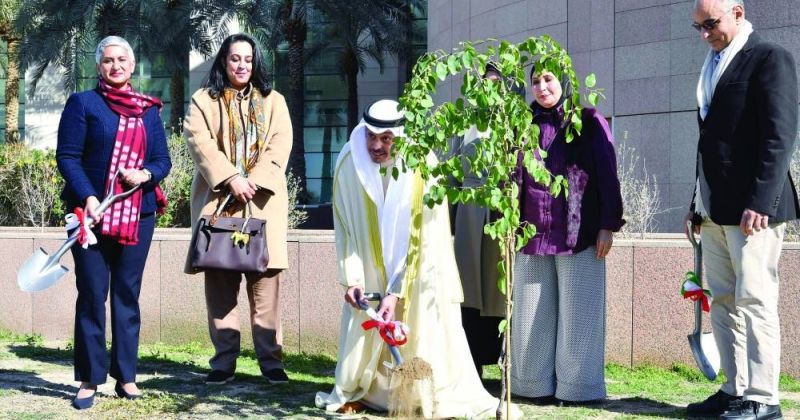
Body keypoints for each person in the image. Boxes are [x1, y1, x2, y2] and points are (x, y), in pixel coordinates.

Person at [315, 99, 511, 418]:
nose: (377, 146)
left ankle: (417, 394)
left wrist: (396, 290)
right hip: (369, 270)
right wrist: (352, 279)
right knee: (367, 331)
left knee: (420, 328)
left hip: (418, 271)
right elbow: (346, 230)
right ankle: (366, 391)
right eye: (371, 136)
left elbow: (424, 238)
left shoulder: (424, 167)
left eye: (387, 138)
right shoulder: (349, 163)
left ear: (402, 137)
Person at [684, 1, 799, 418]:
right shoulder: (713, 64)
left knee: (755, 300)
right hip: (715, 210)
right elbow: (709, 144)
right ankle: (735, 390)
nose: (704, 34)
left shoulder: (769, 58)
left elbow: (779, 135)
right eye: (697, 26)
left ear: (737, 11)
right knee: (724, 301)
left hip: (755, 211)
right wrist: (695, 204)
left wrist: (760, 202)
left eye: (710, 24)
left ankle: (764, 400)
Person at [56, 35, 171, 410]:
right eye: (108, 60)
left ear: (133, 65)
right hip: (87, 216)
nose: (116, 66)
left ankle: (127, 377)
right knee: (91, 294)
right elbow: (68, 157)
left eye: (122, 60)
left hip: (138, 216)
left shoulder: (148, 111)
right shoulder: (83, 104)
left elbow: (161, 161)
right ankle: (90, 378)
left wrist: (145, 176)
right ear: (98, 66)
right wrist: (89, 197)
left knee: (127, 295)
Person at [510, 66, 624, 406]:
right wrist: (506, 223)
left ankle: (579, 391)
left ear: (564, 81)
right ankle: (532, 385)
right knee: (531, 315)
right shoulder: (521, 124)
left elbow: (607, 173)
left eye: (549, 79)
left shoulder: (588, 121)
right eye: (535, 81)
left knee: (580, 315)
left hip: (581, 234)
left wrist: (608, 224)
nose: (542, 87)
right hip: (531, 235)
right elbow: (509, 178)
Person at [184, 33, 293, 386]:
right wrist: (231, 177)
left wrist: (254, 180)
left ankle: (271, 362)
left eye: (247, 59)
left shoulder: (274, 101)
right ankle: (224, 362)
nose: (241, 65)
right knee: (221, 291)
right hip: (219, 207)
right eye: (234, 58)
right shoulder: (203, 100)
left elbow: (280, 145)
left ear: (255, 62)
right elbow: (199, 142)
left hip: (262, 206)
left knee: (266, 292)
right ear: (223, 61)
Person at [453, 63, 505, 377]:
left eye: (497, 84)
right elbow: (450, 173)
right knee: (468, 291)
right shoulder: (464, 123)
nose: (491, 90)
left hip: (502, 215)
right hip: (470, 215)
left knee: (500, 291)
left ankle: (504, 362)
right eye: (486, 84)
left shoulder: (516, 123)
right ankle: (471, 363)